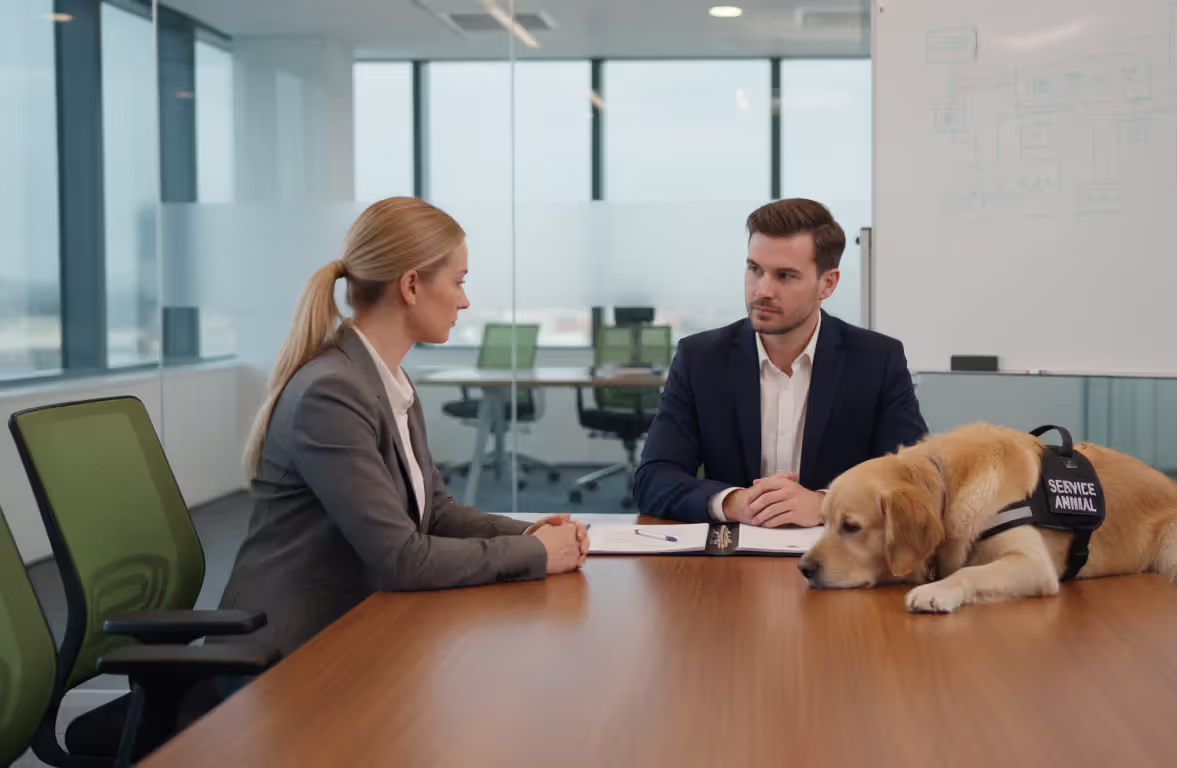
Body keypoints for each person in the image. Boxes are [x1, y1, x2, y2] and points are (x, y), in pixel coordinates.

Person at [219, 197, 588, 659]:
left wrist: (529, 534)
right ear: (411, 285)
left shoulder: (384, 378)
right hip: (292, 655)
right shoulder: (331, 394)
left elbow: (434, 513)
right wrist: (537, 556)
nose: (465, 299)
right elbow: (402, 559)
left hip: (359, 626)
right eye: (458, 281)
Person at [632, 198, 928, 527]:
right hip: (731, 561)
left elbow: (915, 482)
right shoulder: (700, 359)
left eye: (785, 276)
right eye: (755, 270)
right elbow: (653, 479)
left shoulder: (876, 360)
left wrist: (827, 504)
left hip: (837, 555)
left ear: (827, 283)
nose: (762, 290)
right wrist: (733, 502)